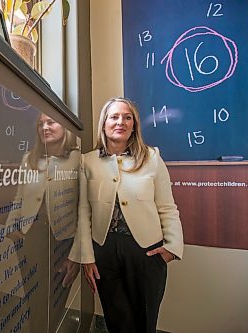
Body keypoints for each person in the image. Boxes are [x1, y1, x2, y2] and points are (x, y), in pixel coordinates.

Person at [68, 97, 184, 333]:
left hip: (146, 252)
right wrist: (87, 256)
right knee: (117, 321)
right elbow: (83, 212)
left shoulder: (152, 159)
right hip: (104, 252)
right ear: (104, 124)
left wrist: (172, 248)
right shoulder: (87, 162)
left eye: (127, 117)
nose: (120, 121)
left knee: (144, 321)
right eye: (114, 116)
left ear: (134, 125)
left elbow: (167, 207)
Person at [4, 113, 81, 331]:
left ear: (65, 127)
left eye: (51, 122)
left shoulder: (78, 159)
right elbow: (20, 196)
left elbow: (84, 208)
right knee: (34, 297)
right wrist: (12, 229)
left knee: (55, 298)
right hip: (30, 237)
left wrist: (76, 252)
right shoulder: (29, 158)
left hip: (63, 241)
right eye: (40, 124)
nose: (45, 127)